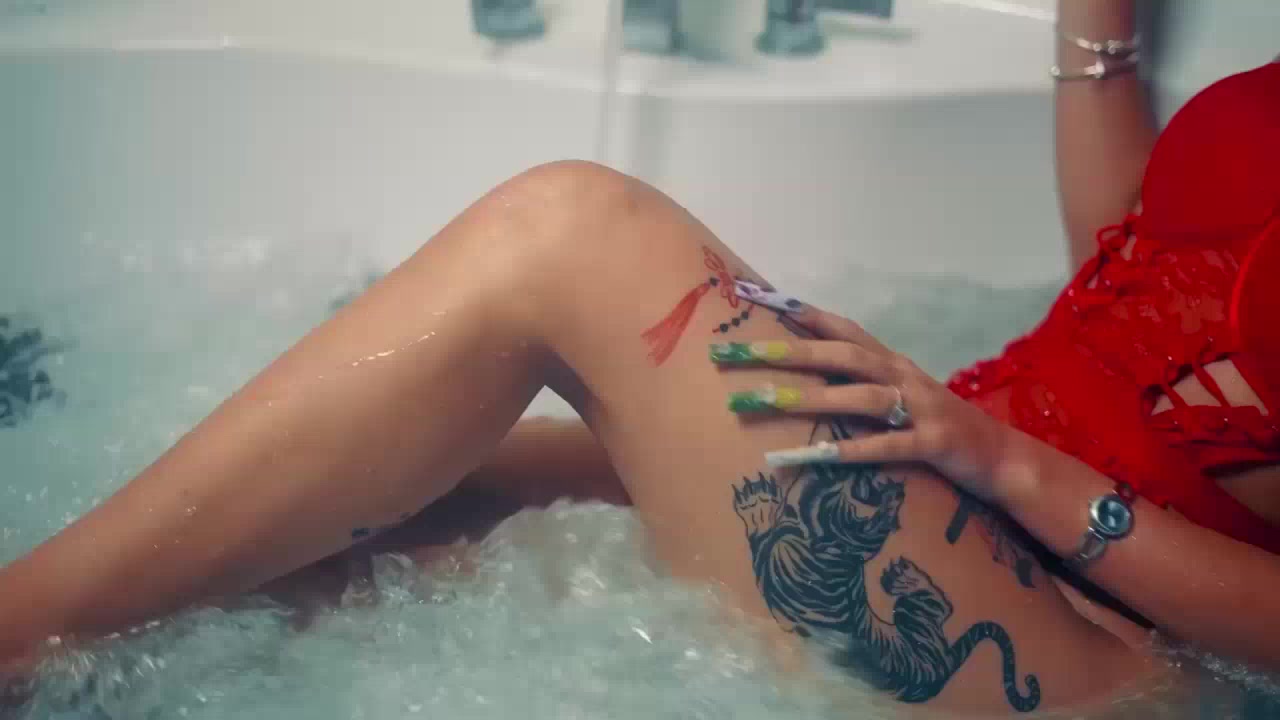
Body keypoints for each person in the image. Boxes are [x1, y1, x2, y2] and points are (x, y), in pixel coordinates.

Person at [2, 0, 1279, 715]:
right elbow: (1145, 272)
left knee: (575, 235)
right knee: (380, 504)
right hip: (960, 463)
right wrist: (1096, 34)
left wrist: (1013, 468)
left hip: (1105, 648)